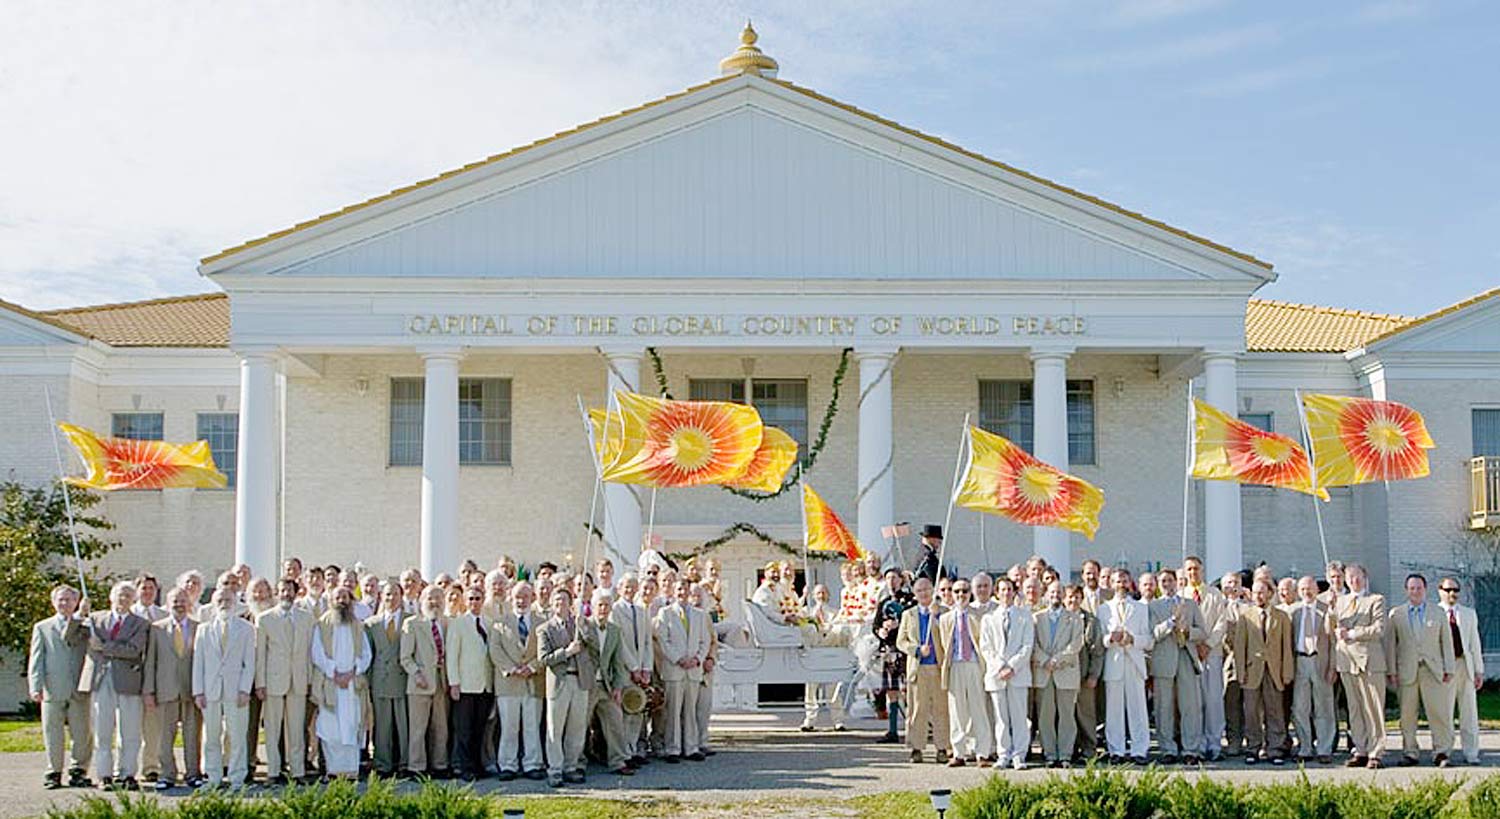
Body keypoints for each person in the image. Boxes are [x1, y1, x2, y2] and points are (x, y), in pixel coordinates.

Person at [83, 581, 149, 790]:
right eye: (120, 595)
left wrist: (104, 647)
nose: (124, 599)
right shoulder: (95, 619)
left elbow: (133, 650)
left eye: (129, 595)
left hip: (129, 681)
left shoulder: (140, 623)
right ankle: (104, 775)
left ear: (134, 599)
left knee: (130, 732)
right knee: (103, 731)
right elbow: (73, 636)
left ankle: (128, 774)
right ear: (111, 597)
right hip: (101, 680)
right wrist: (80, 613)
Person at [1386, 573, 1455, 767]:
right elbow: (1392, 644)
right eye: (1411, 588)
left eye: (1418, 588)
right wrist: (1391, 671)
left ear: (1425, 589)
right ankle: (1410, 752)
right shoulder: (1396, 614)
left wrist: (1448, 667)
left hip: (1432, 670)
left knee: (1438, 713)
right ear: (1406, 590)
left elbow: (1446, 643)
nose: (1415, 591)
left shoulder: (1438, 612)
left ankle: (1441, 751)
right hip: (1407, 671)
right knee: (1407, 715)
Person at [28, 584, 93, 790]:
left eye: (69, 599)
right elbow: (37, 659)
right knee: (52, 732)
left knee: (82, 733)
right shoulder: (42, 627)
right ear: (53, 602)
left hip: (79, 687)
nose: (64, 603)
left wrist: (83, 615)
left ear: (76, 602)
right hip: (52, 687)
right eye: (61, 599)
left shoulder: (85, 625)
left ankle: (79, 770)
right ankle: (53, 771)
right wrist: (35, 685)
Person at [193, 588, 256, 788]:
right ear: (213, 603)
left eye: (228, 599)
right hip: (210, 691)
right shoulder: (204, 629)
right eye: (220, 600)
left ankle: (237, 777)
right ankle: (213, 777)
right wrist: (198, 691)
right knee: (211, 736)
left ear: (235, 602)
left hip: (236, 690)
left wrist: (246, 689)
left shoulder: (246, 629)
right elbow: (198, 662)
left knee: (237, 736)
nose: (224, 603)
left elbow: (250, 663)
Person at [254, 577, 313, 785]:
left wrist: (309, 678)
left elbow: (308, 651)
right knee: (272, 729)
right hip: (273, 681)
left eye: (290, 590)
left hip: (298, 680)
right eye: (282, 590)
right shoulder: (265, 619)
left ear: (296, 593)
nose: (286, 594)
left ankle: (297, 771)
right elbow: (260, 654)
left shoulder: (306, 618)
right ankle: (273, 771)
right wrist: (260, 683)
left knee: (296, 729)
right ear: (276, 593)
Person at [311, 586, 372, 780]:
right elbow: (317, 653)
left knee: (352, 726)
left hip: (353, 685)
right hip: (331, 685)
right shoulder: (322, 624)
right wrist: (334, 673)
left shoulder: (358, 625)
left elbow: (366, 654)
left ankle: (351, 771)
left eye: (345, 597)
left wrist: (353, 672)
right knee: (331, 730)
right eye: (337, 597)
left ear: (350, 600)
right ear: (331, 600)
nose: (341, 600)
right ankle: (333, 771)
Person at [143, 587, 201, 789]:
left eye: (183, 600)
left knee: (192, 735)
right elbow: (150, 662)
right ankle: (167, 774)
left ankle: (193, 773)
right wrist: (148, 691)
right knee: (165, 736)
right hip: (165, 690)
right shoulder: (157, 629)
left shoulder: (199, 627)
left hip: (191, 690)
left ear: (190, 603)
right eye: (175, 601)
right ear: (168, 604)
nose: (179, 604)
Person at [1147, 568, 1206, 765]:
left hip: (1185, 656)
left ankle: (1191, 748)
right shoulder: (1152, 606)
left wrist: (1188, 631)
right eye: (1163, 581)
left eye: (1170, 581)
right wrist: (1171, 623)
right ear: (1158, 584)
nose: (1167, 584)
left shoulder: (1188, 604)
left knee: (1190, 705)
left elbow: (1202, 632)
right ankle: (1167, 748)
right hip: (1164, 659)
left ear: (1177, 582)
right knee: (1164, 707)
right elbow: (1153, 634)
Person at [1232, 579, 1293, 765]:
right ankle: (1253, 748)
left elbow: (1286, 647)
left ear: (1269, 593)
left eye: (1262, 592)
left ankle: (1275, 748)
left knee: (1274, 711)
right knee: (1251, 712)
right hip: (1252, 670)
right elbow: (1239, 646)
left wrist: (1287, 671)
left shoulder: (1281, 616)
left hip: (1274, 670)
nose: (1258, 596)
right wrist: (1240, 671)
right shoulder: (1245, 616)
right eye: (1255, 592)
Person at [1333, 563, 1388, 769]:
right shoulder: (1341, 602)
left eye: (1358, 576)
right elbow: (1332, 626)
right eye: (1350, 577)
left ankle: (1376, 751)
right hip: (1347, 662)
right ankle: (1361, 749)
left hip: (1370, 662)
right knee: (1354, 709)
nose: (1354, 580)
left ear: (1365, 578)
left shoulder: (1375, 600)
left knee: (1372, 708)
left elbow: (1379, 629)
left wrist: (1353, 633)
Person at [490, 581, 544, 781]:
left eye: (525, 596)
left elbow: (545, 651)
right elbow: (495, 650)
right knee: (509, 727)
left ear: (532, 598)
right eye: (517, 596)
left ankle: (532, 764)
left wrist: (531, 667)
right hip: (508, 683)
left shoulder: (541, 623)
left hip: (532, 681)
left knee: (532, 726)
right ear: (511, 598)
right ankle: (508, 765)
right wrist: (512, 669)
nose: (521, 600)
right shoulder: (500, 622)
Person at [653, 578, 710, 766]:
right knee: (673, 711)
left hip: (693, 670)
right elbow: (663, 640)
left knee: (690, 711)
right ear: (673, 591)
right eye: (679, 589)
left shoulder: (700, 615)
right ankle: (673, 748)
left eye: (685, 589)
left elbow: (705, 641)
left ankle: (691, 747)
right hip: (674, 668)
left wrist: (697, 659)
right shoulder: (665, 613)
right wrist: (678, 659)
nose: (682, 593)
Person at [540, 586, 591, 786]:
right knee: (555, 728)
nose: (561, 603)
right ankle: (555, 769)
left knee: (576, 727)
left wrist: (584, 629)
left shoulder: (579, 625)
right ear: (552, 605)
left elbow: (593, 646)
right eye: (557, 600)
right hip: (559, 681)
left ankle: (571, 766)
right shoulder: (545, 629)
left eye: (564, 600)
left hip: (579, 681)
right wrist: (566, 652)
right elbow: (543, 659)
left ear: (571, 604)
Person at [937, 578, 991, 767]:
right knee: (957, 711)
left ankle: (982, 752)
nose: (961, 595)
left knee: (978, 709)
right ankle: (959, 752)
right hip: (955, 665)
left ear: (970, 593)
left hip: (975, 664)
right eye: (957, 591)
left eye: (965, 591)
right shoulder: (945, 619)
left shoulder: (980, 615)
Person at [979, 577, 1030, 770]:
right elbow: (986, 647)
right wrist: (1001, 666)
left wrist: (1012, 667)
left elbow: (1027, 645)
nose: (1006, 593)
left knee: (1019, 716)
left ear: (1014, 592)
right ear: (996, 593)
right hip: (996, 674)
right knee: (1001, 717)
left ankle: (1019, 754)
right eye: (1002, 589)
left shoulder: (1024, 616)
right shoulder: (988, 618)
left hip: (1018, 674)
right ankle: (1003, 754)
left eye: (1009, 589)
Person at [1100, 568, 1151, 764]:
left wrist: (1133, 639)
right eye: (1117, 581)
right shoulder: (1103, 609)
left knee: (1138, 707)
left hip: (1134, 661)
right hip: (1114, 663)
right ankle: (1116, 750)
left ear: (1130, 584)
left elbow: (1148, 639)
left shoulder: (1140, 608)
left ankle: (1139, 749)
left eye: (1124, 581)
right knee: (1114, 710)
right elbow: (1100, 639)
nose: (1121, 585)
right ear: (1112, 584)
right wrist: (1109, 639)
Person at [581, 590, 635, 776]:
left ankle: (618, 761)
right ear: (593, 607)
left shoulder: (614, 631)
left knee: (615, 720)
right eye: (600, 605)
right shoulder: (583, 626)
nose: (603, 609)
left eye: (606, 605)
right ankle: (579, 763)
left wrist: (618, 686)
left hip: (606, 685)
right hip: (585, 684)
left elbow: (618, 663)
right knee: (581, 724)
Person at [400, 585, 451, 778]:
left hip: (441, 681)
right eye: (430, 598)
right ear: (422, 600)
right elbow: (405, 657)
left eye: (438, 598)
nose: (435, 602)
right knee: (418, 728)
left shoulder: (447, 623)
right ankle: (416, 767)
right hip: (419, 683)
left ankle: (440, 764)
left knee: (441, 727)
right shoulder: (412, 624)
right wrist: (416, 674)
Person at [1182, 556, 1229, 761]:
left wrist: (1208, 644)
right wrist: (1194, 643)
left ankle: (1214, 743)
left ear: (1202, 570)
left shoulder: (1214, 594)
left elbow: (1221, 623)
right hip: (1190, 655)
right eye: (1189, 569)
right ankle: (1196, 744)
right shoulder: (1181, 596)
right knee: (1194, 702)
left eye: (1196, 569)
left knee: (1213, 700)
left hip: (1212, 653)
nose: (1193, 573)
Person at [897, 576, 949, 764]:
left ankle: (942, 747)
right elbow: (901, 641)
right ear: (915, 594)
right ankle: (916, 747)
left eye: (927, 589)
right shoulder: (908, 615)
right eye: (919, 590)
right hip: (918, 669)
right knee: (917, 709)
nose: (924, 593)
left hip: (938, 667)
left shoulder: (943, 612)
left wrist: (936, 618)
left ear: (933, 590)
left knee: (940, 710)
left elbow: (948, 635)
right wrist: (917, 650)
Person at [1032, 583, 1084, 767]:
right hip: (1043, 671)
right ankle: (1050, 753)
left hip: (1066, 672)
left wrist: (1057, 660)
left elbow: (1076, 644)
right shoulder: (1037, 618)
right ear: (1046, 594)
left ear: (1063, 595)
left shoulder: (1075, 618)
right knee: (1045, 716)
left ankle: (1065, 754)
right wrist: (1045, 660)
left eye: (1059, 592)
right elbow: (1033, 644)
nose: (1056, 595)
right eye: (1052, 592)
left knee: (1067, 715)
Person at [445, 585, 493, 782]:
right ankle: (466, 767)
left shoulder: (489, 623)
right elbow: (452, 655)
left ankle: (477, 764)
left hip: (485, 685)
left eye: (478, 599)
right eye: (471, 599)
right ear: (465, 601)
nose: (474, 602)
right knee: (464, 730)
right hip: (465, 686)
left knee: (479, 729)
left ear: (483, 601)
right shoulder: (458, 624)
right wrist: (453, 683)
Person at [1288, 575, 1337, 764]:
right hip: (1300, 661)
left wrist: (1333, 666)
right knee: (1300, 708)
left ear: (1317, 590)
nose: (1306, 592)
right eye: (1302, 590)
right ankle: (1305, 747)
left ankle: (1324, 748)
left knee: (1323, 707)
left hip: (1320, 661)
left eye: (1310, 588)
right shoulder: (1294, 612)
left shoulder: (1327, 611)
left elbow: (1334, 642)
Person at [1437, 577, 1484, 766]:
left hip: (1465, 665)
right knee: (1445, 712)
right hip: (1444, 668)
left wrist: (1478, 671)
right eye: (1448, 590)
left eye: (1455, 590)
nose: (1452, 594)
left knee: (1469, 712)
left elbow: (1474, 644)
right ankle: (1444, 751)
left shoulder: (1468, 614)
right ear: (1440, 591)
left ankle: (1471, 752)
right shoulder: (1435, 613)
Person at [365, 580, 409, 776]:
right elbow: (368, 654)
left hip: (403, 679)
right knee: (382, 725)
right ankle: (383, 764)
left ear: (401, 597)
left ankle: (404, 763)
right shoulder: (371, 624)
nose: (391, 598)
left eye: (395, 594)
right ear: (382, 597)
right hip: (380, 679)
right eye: (387, 594)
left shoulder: (411, 620)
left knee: (403, 724)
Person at [611, 573, 654, 766]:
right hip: (624, 667)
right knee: (625, 710)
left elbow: (646, 642)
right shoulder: (615, 610)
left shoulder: (642, 610)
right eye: (626, 586)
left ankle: (635, 748)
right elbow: (619, 642)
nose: (630, 590)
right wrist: (633, 667)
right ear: (619, 588)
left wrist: (646, 667)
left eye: (633, 586)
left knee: (638, 710)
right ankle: (625, 752)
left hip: (640, 668)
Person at [131, 574, 167, 785]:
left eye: (151, 588)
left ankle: (151, 766)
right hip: (131, 678)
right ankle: (126, 768)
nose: (147, 592)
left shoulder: (163, 614)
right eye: (143, 588)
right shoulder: (130, 613)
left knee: (153, 726)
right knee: (129, 726)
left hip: (156, 679)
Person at [873, 569, 914, 744]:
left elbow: (913, 621)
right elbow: (875, 625)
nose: (891, 582)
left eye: (894, 578)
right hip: (889, 651)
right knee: (892, 691)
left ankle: (912, 730)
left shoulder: (909, 600)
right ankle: (892, 730)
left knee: (909, 691)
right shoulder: (883, 603)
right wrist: (880, 631)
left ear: (901, 580)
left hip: (905, 651)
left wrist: (899, 624)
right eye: (888, 578)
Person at [801, 583, 845, 732]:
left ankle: (838, 721)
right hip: (813, 655)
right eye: (818, 593)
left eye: (824, 593)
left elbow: (836, 628)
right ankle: (809, 720)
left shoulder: (835, 612)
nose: (821, 596)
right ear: (814, 596)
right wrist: (803, 597)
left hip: (830, 654)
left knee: (833, 690)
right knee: (811, 690)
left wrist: (826, 626)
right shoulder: (807, 612)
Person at [1071, 584, 1105, 763]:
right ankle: (1071, 748)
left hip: (1085, 676)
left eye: (1076, 597)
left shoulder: (1091, 620)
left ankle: (1089, 749)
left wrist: (1093, 674)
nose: (1073, 600)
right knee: (1068, 715)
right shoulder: (1061, 618)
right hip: (1064, 677)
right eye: (1069, 597)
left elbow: (1097, 651)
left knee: (1086, 714)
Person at [1219, 571, 1248, 757]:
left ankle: (1254, 740)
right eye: (1229, 582)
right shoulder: (1220, 607)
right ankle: (1234, 740)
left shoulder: (1249, 605)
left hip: (1250, 661)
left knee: (1253, 705)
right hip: (1229, 661)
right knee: (1231, 703)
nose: (1233, 585)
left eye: (1236, 582)